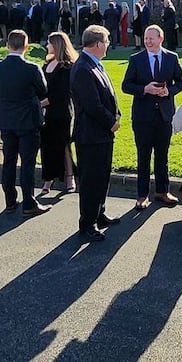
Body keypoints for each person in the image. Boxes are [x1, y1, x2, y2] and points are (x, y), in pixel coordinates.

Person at [121, 24, 182, 210]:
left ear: (161, 39)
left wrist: (169, 91)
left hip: (164, 115)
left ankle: (162, 191)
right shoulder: (136, 59)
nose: (148, 41)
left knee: (162, 155)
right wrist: (144, 89)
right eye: (146, 38)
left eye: (152, 38)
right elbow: (126, 85)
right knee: (143, 156)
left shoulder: (171, 58)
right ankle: (142, 195)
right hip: (142, 116)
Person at [0, 30, 50, 215]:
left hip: (7, 119)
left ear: (8, 45)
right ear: (26, 46)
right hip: (27, 120)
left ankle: (10, 200)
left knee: (9, 160)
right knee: (27, 163)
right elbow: (43, 90)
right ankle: (29, 203)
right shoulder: (32, 68)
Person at [71, 25, 121, 241]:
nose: (108, 45)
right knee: (91, 180)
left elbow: (108, 95)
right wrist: (111, 122)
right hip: (91, 135)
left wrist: (116, 114)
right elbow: (92, 105)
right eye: (107, 41)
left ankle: (99, 214)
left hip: (101, 134)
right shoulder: (83, 68)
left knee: (102, 177)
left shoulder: (95, 65)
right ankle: (87, 223)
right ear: (99, 44)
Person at [40, 31, 78, 194]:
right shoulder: (46, 64)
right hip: (45, 113)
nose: (47, 46)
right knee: (46, 145)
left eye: (49, 43)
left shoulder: (67, 66)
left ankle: (70, 177)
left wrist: (41, 103)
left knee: (63, 144)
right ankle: (48, 179)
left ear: (57, 45)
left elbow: (61, 93)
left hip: (61, 111)